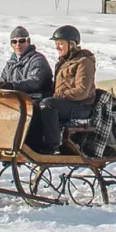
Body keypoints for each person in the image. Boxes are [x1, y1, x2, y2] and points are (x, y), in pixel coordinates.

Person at [35, 25, 96, 153]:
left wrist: (60, 95)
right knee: (34, 105)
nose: (57, 47)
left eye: (61, 43)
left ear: (72, 44)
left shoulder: (84, 61)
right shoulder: (63, 61)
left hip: (81, 106)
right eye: (56, 43)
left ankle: (52, 146)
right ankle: (33, 142)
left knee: (48, 105)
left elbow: (82, 91)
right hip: (66, 104)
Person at [0, 26, 52, 98]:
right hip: (14, 101)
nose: (18, 44)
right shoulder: (10, 63)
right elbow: (2, 81)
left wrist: (12, 86)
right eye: (14, 41)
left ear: (28, 42)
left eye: (21, 41)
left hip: (34, 100)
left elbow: (35, 82)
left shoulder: (37, 59)